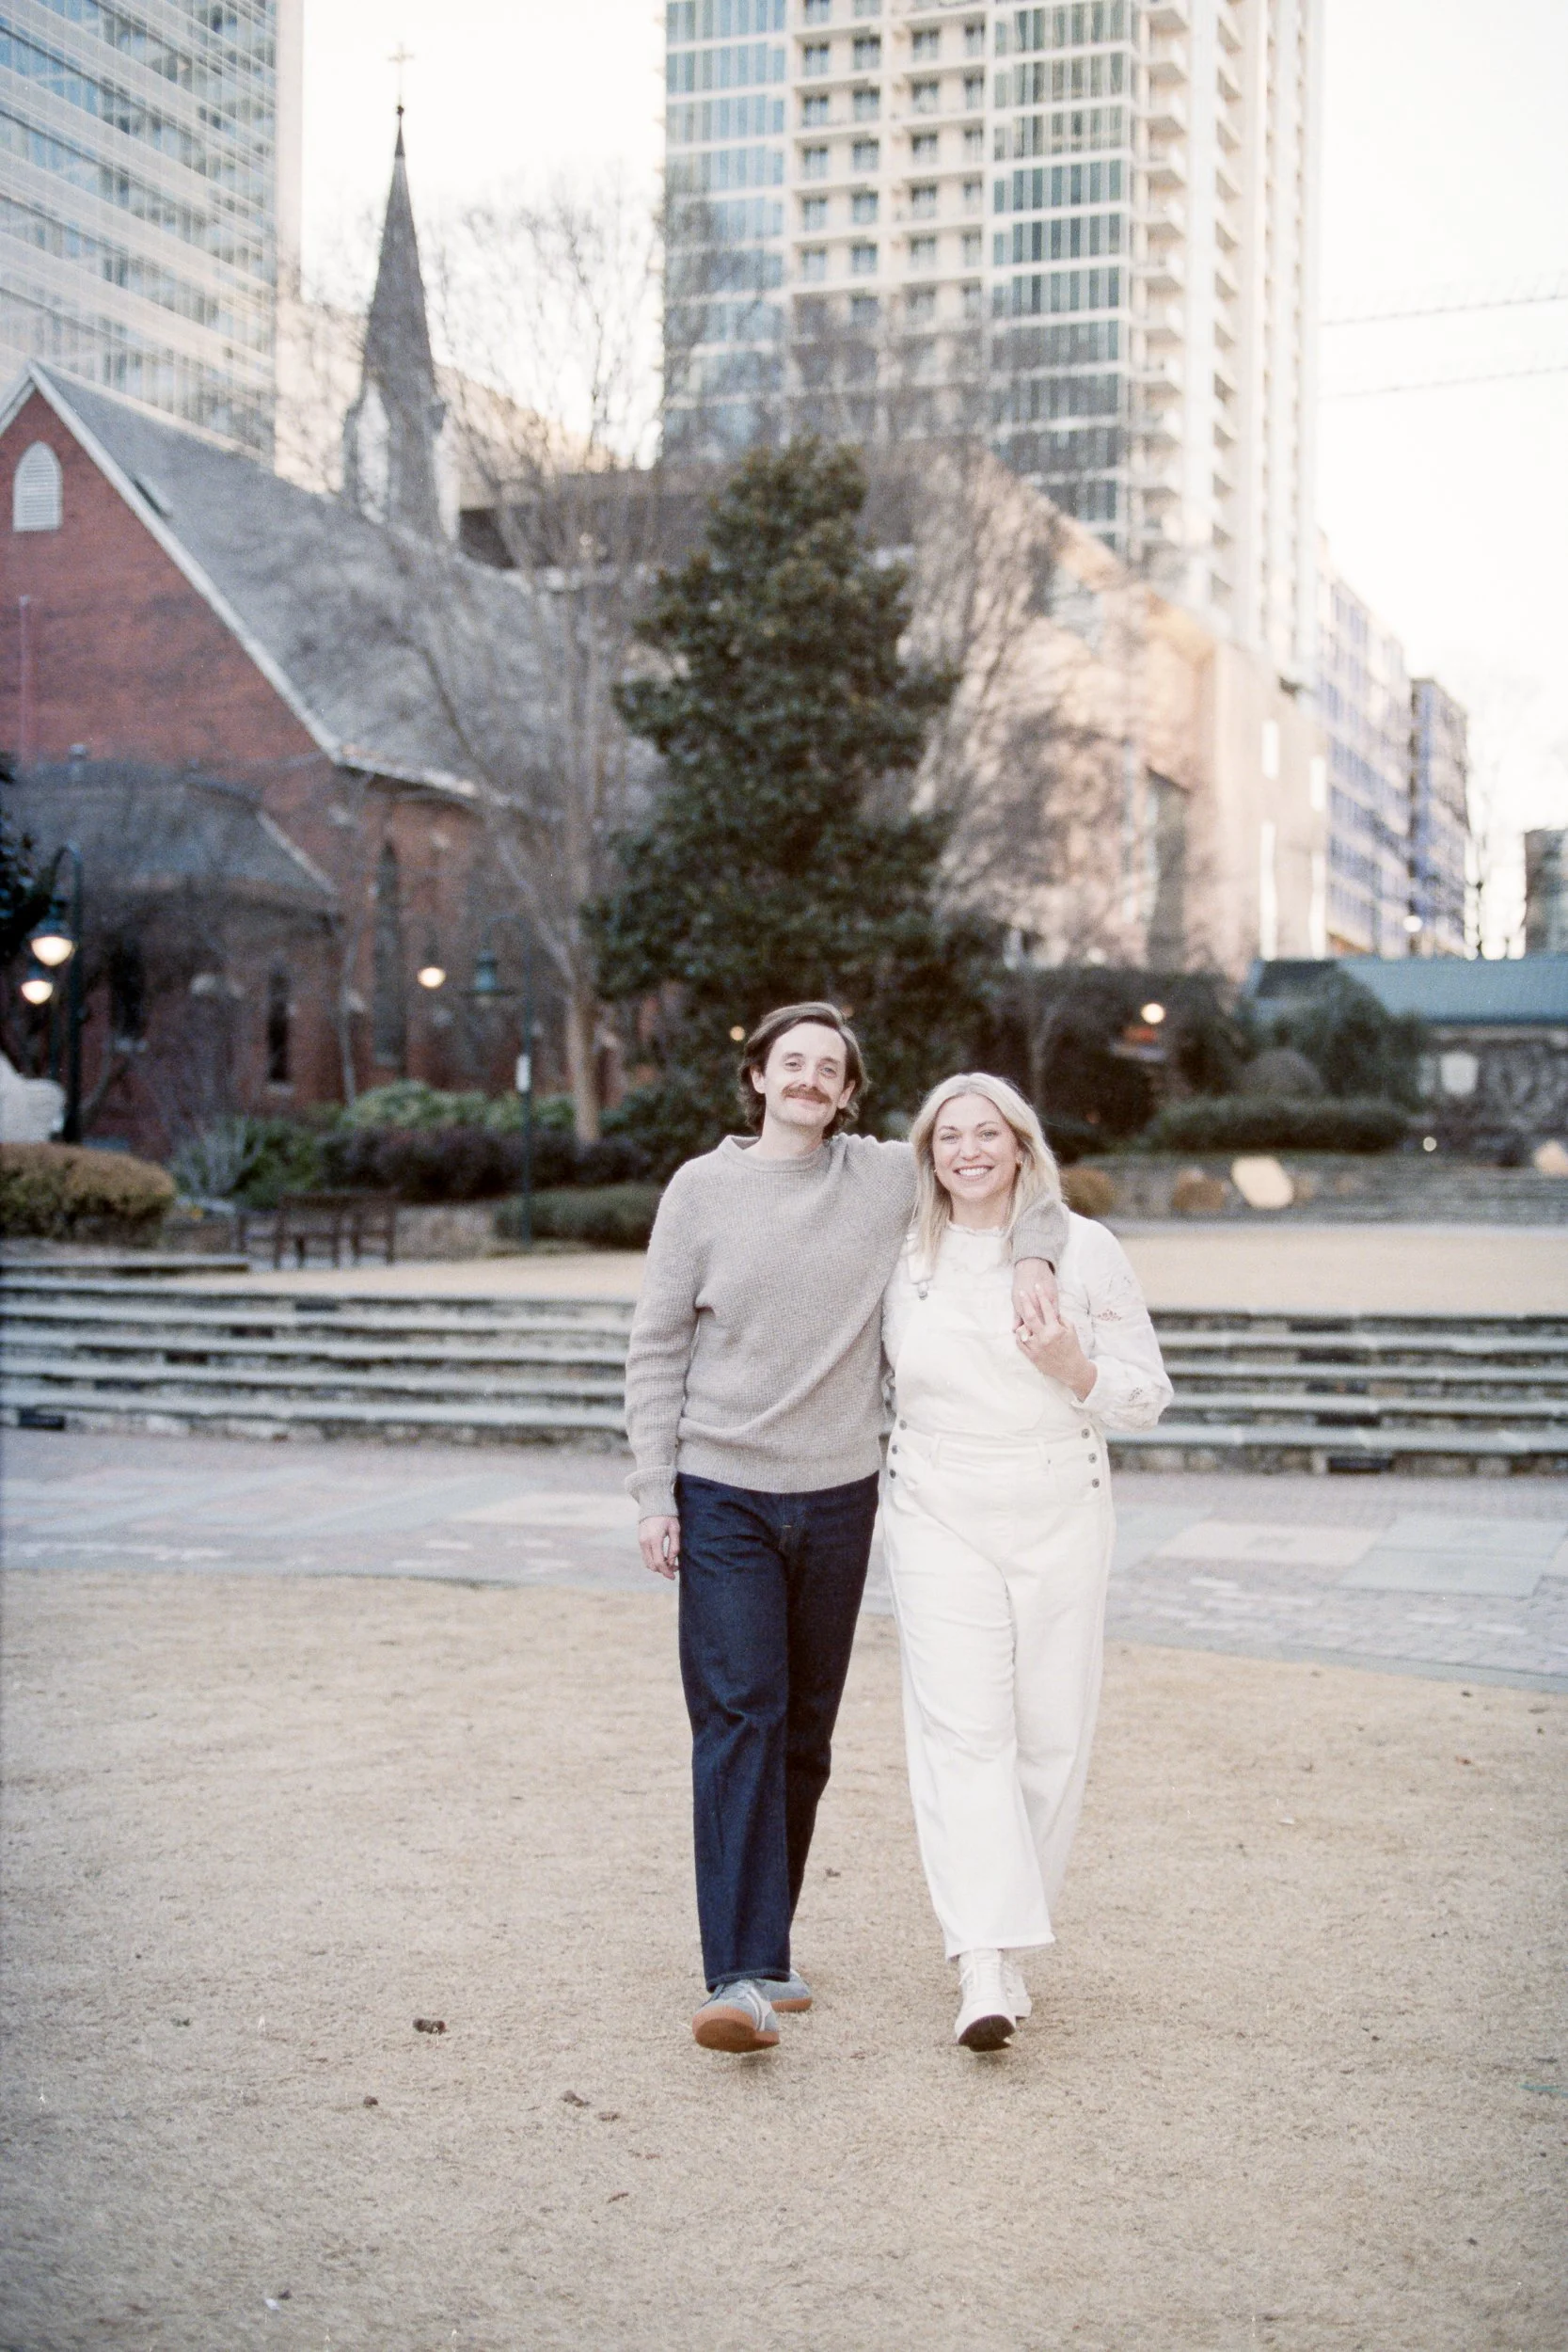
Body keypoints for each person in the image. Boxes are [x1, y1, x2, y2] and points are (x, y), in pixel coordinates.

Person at [626, 1005, 1069, 2055]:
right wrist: (653, 1491)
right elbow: (652, 1349)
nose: (810, 1080)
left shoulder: (877, 1178)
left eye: (829, 1068)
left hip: (838, 1494)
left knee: (806, 1728)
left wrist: (1038, 1259)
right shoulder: (699, 1189)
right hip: (720, 1487)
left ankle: (768, 1948)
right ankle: (735, 1974)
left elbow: (1007, 1179)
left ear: (849, 1090)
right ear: (757, 1076)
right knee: (741, 1711)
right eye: (792, 1064)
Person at [880, 1073, 1171, 2051]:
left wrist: (1071, 1368)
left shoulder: (1082, 1247)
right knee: (962, 1734)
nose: (967, 1150)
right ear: (926, 1153)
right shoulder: (900, 1249)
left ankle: (1008, 1930)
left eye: (986, 1133)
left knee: (1049, 1733)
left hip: (1058, 1501)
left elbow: (1145, 1395)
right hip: (932, 1502)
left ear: (1018, 1144)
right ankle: (982, 1960)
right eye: (947, 1135)